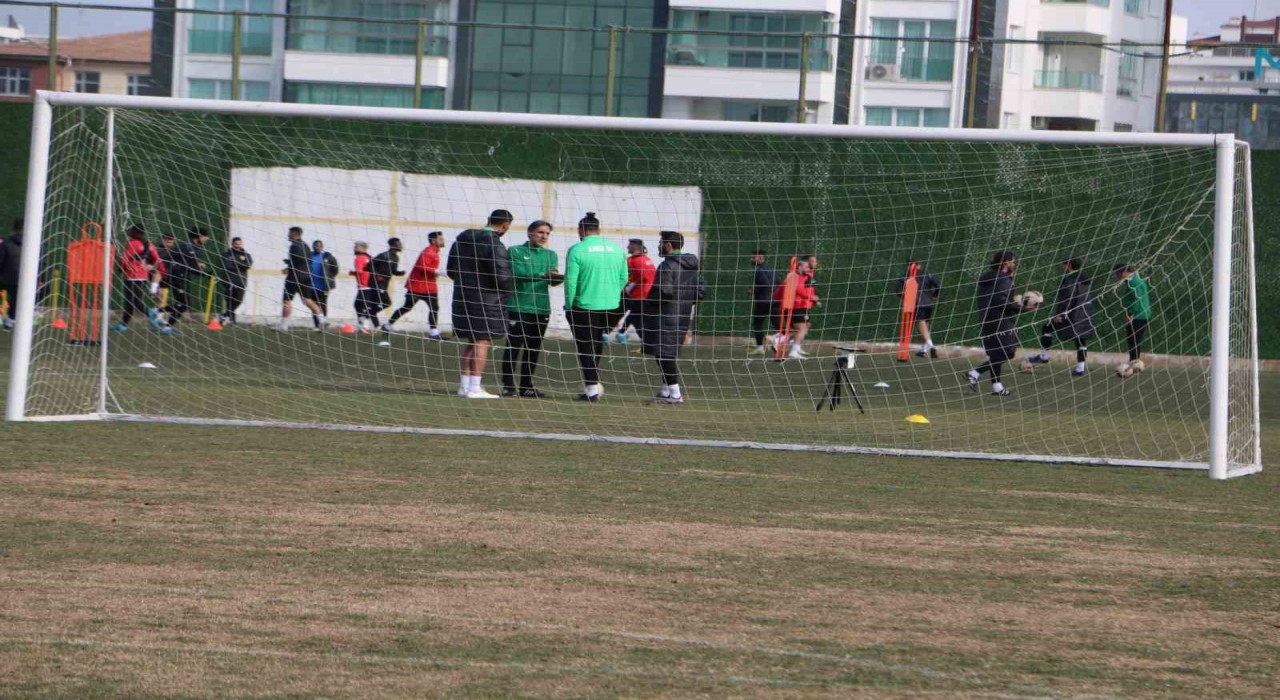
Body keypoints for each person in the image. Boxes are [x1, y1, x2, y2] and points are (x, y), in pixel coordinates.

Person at [446, 210, 515, 399]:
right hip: (487, 301)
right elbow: (502, 277)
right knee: (483, 341)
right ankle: (475, 388)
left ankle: (465, 386)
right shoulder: (494, 244)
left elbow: (451, 270)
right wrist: (510, 287)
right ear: (505, 226)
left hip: (462, 298)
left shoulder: (462, 240)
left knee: (472, 341)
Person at [563, 211, 628, 402]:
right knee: (597, 343)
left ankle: (591, 389)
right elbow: (624, 277)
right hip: (611, 306)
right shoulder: (616, 248)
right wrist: (611, 294)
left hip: (585, 306)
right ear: (598, 229)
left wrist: (569, 305)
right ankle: (592, 384)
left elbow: (570, 282)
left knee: (585, 347)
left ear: (580, 229)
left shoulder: (577, 249)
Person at [642, 231, 705, 404]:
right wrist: (684, 302)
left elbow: (665, 291)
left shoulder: (667, 265)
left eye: (661, 242)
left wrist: (647, 304)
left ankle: (676, 395)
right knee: (665, 354)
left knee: (664, 356)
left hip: (665, 316)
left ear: (669, 245)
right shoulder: (693, 266)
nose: (658, 246)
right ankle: (665, 392)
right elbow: (700, 293)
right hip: (682, 316)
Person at [501, 220, 563, 397]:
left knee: (533, 348)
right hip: (518, 306)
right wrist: (542, 275)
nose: (544, 236)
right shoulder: (515, 251)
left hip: (541, 309)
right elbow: (516, 274)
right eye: (540, 232)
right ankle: (508, 386)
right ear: (529, 233)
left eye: (547, 233)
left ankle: (526, 386)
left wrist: (560, 278)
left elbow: (552, 281)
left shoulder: (550, 255)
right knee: (514, 347)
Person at [965, 251, 1031, 396]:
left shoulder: (989, 277)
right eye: (1013, 261)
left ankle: (997, 387)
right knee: (1008, 353)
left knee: (996, 353)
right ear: (1006, 263)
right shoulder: (1002, 279)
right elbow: (1001, 301)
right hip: (1001, 320)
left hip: (987, 319)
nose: (1014, 264)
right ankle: (974, 372)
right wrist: (1023, 308)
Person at [1027, 257, 1095, 376]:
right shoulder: (1085, 278)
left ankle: (1044, 356)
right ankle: (1080, 369)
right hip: (1084, 314)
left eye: (1064, 265)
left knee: (1047, 328)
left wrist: (1060, 315)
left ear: (1069, 265)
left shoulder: (1070, 280)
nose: (1063, 267)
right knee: (1081, 340)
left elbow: (1067, 299)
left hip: (1071, 315)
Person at [384, 231, 444, 338]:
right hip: (417, 286)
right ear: (433, 241)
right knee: (407, 307)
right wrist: (436, 271)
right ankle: (387, 325)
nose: (443, 241)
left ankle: (433, 333)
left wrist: (436, 273)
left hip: (429, 287)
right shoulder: (428, 251)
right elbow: (421, 267)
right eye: (440, 239)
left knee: (434, 307)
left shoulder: (435, 252)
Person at [111, 224, 164, 332]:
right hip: (142, 276)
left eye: (130, 231)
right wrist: (162, 271)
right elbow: (158, 259)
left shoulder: (132, 243)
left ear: (134, 232)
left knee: (135, 302)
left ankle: (151, 314)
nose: (128, 233)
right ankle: (123, 325)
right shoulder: (148, 244)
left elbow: (125, 259)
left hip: (131, 276)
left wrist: (121, 268)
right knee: (130, 302)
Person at [156, 229, 206, 329]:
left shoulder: (193, 248)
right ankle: (162, 319)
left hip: (180, 277)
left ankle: (163, 320)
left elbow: (188, 264)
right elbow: (169, 259)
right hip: (174, 277)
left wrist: (199, 268)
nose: (207, 239)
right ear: (199, 237)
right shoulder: (187, 247)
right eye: (205, 236)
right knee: (181, 303)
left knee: (183, 304)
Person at [279, 226, 326, 332]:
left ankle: (283, 326)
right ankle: (322, 320)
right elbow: (306, 260)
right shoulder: (306, 246)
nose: (288, 235)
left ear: (294, 234)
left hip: (294, 277)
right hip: (306, 277)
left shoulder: (294, 245)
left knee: (287, 301)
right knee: (308, 300)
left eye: (289, 233)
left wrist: (289, 266)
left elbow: (299, 259)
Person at [773, 256, 818, 359]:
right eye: (807, 266)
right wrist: (811, 297)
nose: (808, 269)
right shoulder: (794, 276)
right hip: (797, 306)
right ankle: (793, 349)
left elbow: (779, 292)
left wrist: (812, 300)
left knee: (804, 327)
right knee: (801, 329)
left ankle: (780, 340)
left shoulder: (802, 275)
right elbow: (798, 290)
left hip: (799, 306)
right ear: (799, 266)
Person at [895, 261, 942, 358]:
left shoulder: (904, 277)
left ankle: (931, 346)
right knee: (925, 327)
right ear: (919, 266)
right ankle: (923, 350)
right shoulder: (928, 275)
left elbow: (899, 292)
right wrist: (934, 295)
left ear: (908, 266)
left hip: (916, 304)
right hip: (929, 304)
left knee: (921, 326)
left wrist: (907, 298)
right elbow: (939, 286)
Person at [613, 238, 654, 344]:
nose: (627, 247)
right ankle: (622, 334)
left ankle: (615, 333)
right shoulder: (647, 259)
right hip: (647, 294)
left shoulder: (632, 261)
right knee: (636, 315)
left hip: (637, 294)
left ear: (635, 247)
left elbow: (640, 277)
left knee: (633, 315)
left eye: (629, 245)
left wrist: (628, 287)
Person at [1115, 263, 1153, 375]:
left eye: (1118, 273)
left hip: (1139, 315)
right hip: (1138, 314)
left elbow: (1137, 300)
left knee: (1135, 340)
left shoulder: (1135, 282)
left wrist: (1131, 313)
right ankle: (1133, 363)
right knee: (1133, 340)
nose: (1117, 275)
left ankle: (1135, 364)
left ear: (1125, 272)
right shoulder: (1132, 281)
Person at [367, 238, 405, 333]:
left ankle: (376, 326)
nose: (401, 246)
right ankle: (369, 314)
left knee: (375, 305)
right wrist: (377, 275)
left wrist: (399, 273)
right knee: (386, 302)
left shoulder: (396, 258)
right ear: (392, 245)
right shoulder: (384, 255)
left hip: (384, 284)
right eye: (398, 244)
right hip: (377, 283)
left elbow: (392, 271)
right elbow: (369, 265)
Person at [219, 237, 252, 325]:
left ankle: (224, 315)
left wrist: (235, 262)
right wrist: (241, 265)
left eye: (239, 244)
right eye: (236, 244)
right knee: (229, 300)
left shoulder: (246, 255)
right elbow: (228, 265)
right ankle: (232, 321)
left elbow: (248, 265)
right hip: (229, 280)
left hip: (241, 281)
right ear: (232, 244)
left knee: (239, 300)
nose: (238, 246)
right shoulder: (227, 254)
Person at [748, 249, 775, 354]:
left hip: (763, 301)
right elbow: (777, 282)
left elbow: (765, 283)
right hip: (774, 301)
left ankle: (761, 347)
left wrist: (754, 290)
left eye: (753, 258)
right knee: (777, 325)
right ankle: (775, 342)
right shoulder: (770, 269)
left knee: (757, 323)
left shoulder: (758, 269)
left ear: (760, 258)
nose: (751, 259)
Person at [308, 240, 339, 326]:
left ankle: (324, 321)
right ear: (313, 247)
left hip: (324, 286)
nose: (317, 247)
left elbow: (335, 269)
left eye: (319, 246)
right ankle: (317, 325)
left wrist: (329, 278)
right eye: (315, 246)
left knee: (323, 304)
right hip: (311, 285)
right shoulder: (309, 255)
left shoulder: (328, 257)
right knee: (314, 305)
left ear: (322, 247)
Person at [0, 219, 23, 330]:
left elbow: (1, 261)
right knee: (17, 298)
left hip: (7, 279)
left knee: (13, 297)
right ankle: (11, 320)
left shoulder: (6, 244)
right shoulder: (35, 244)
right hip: (27, 279)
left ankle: (9, 320)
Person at [349, 241, 376, 332]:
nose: (354, 248)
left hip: (364, 285)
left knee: (360, 305)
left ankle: (366, 326)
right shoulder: (369, 257)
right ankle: (364, 325)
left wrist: (352, 272)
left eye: (356, 247)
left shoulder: (359, 258)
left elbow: (360, 271)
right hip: (371, 284)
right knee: (361, 304)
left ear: (361, 248)